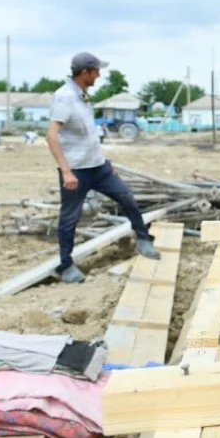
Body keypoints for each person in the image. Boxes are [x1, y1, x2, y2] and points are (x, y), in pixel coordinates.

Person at [45, 52, 160, 283]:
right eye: (97, 71)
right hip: (76, 170)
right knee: (70, 217)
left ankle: (143, 239)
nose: (99, 75)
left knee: (126, 196)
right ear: (85, 72)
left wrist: (105, 162)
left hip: (98, 167)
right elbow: (51, 135)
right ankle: (66, 266)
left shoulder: (83, 96)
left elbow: (87, 135)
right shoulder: (65, 97)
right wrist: (66, 171)